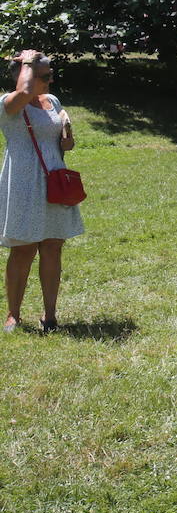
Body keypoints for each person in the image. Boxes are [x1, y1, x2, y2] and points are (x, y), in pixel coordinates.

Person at [3, 51, 83, 333]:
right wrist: (26, 61)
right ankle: (13, 314)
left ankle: (50, 315)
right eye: (44, 75)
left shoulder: (54, 102)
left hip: (54, 181)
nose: (50, 80)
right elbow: (23, 91)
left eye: (50, 75)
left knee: (52, 247)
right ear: (24, 75)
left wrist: (68, 139)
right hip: (24, 182)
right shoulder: (9, 103)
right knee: (23, 249)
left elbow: (62, 145)